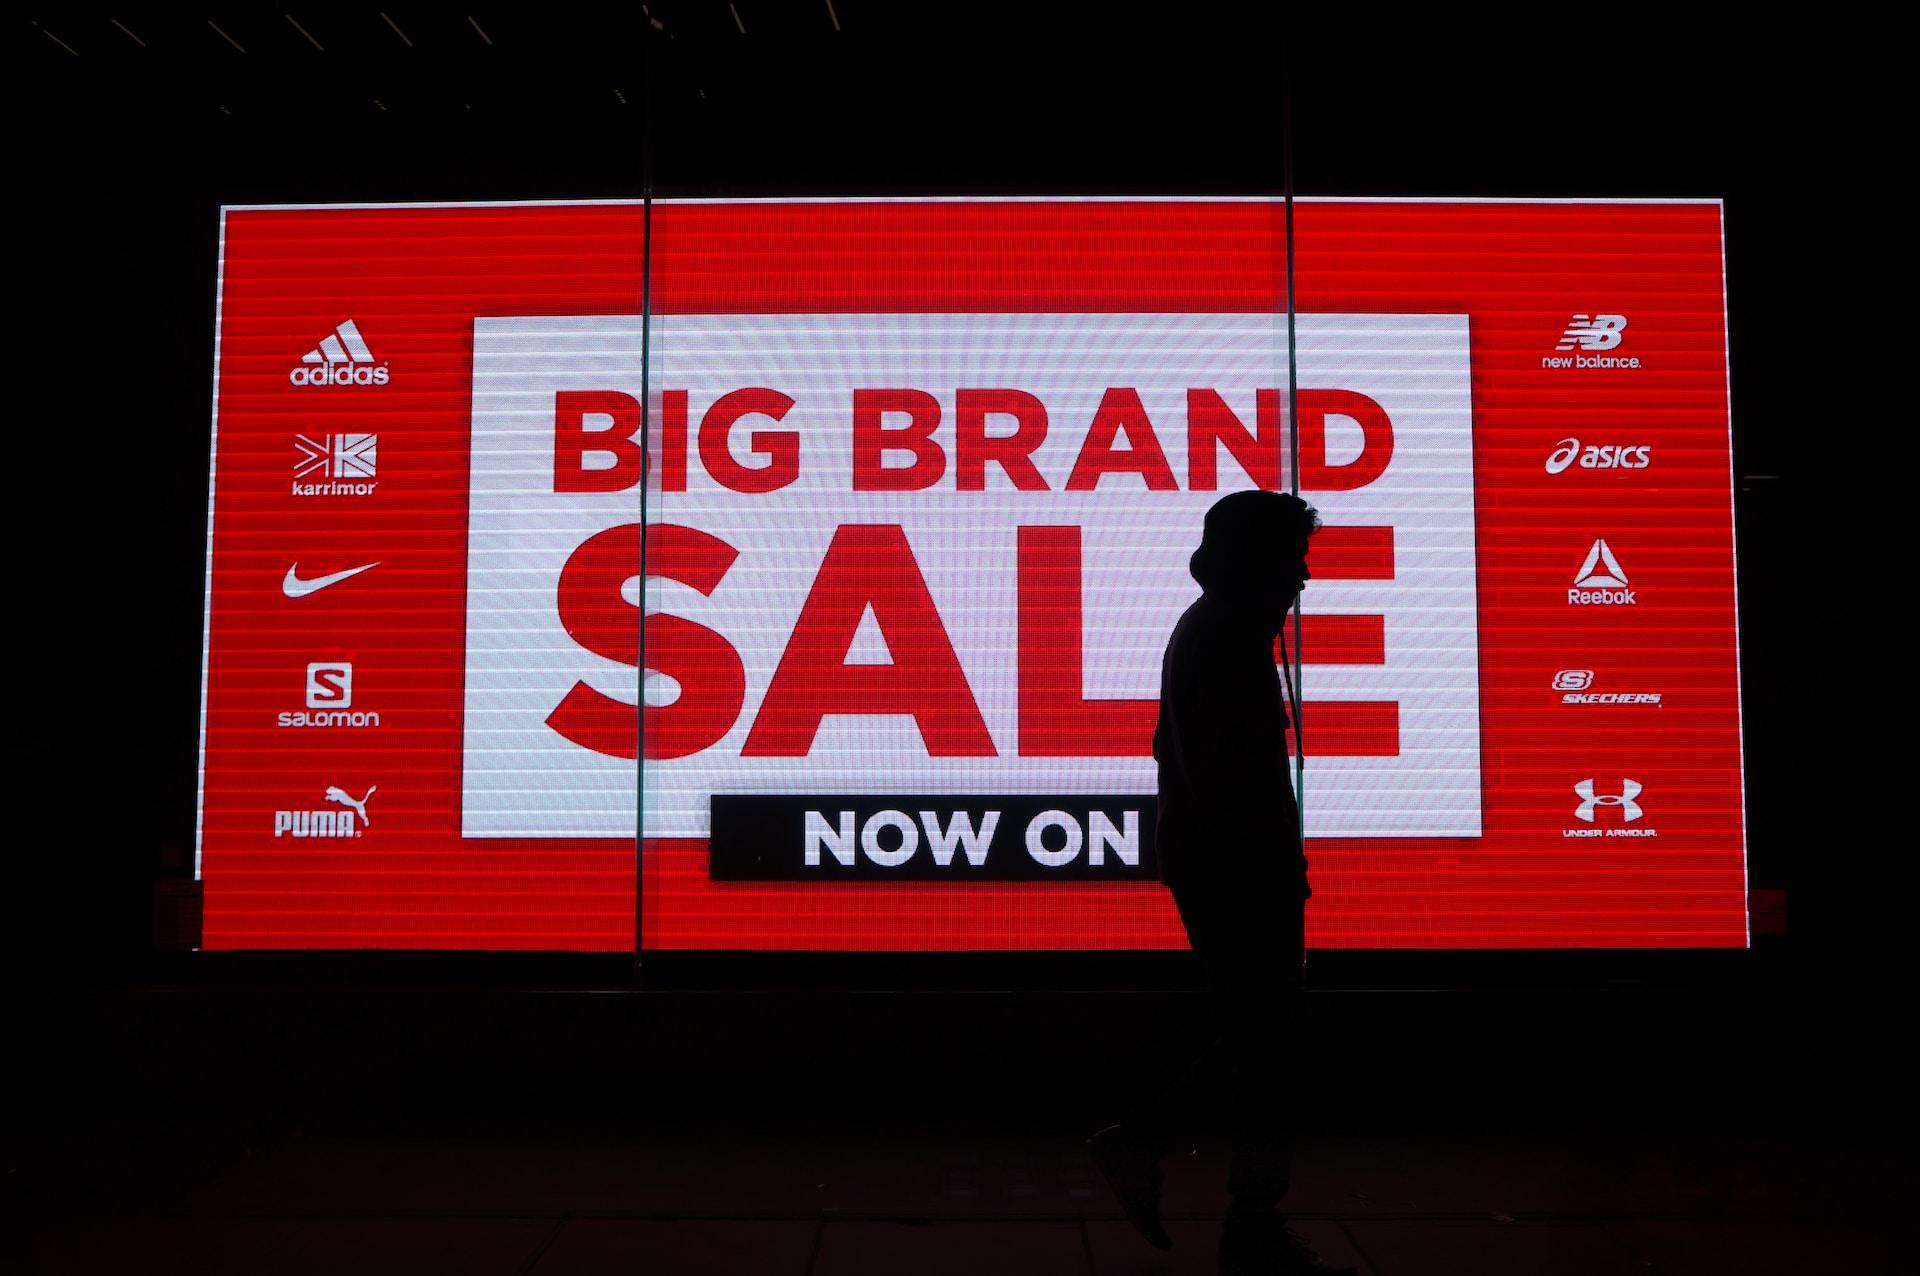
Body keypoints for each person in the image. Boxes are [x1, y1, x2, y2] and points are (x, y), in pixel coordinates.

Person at [1088, 490, 1353, 1276]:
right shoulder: (1227, 642)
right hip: (1242, 873)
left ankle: (1214, 1193)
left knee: (1260, 1037)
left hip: (1226, 867)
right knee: (1269, 1042)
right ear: (1253, 562)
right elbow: (1231, 778)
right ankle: (1221, 1201)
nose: (1302, 578)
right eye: (1290, 559)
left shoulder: (1212, 631)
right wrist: (1278, 872)